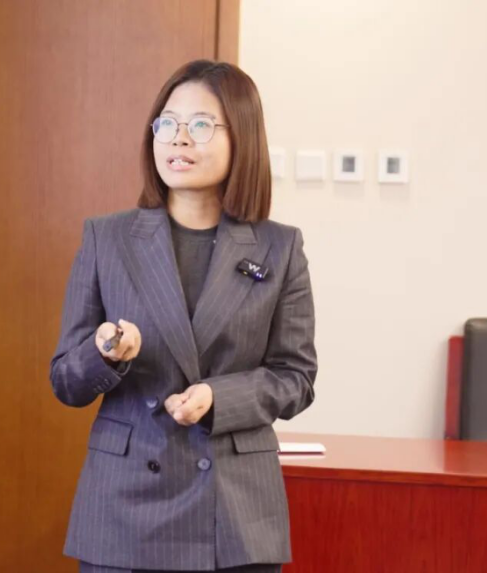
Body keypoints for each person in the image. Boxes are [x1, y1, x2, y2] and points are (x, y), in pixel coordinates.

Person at [50, 59, 317, 573]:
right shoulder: (107, 238)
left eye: (200, 125)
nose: (178, 138)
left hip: (235, 515)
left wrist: (219, 398)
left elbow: (296, 378)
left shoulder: (279, 247)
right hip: (125, 513)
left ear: (241, 137)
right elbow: (65, 381)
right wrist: (105, 354)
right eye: (167, 124)